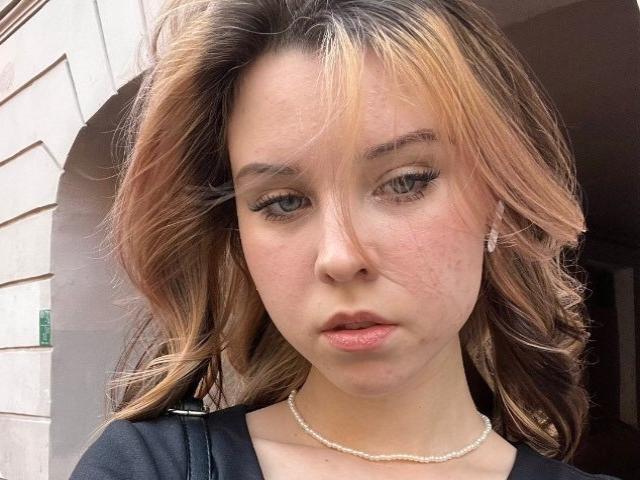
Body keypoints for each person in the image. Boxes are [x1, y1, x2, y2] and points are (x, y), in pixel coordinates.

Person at [70, 0, 622, 479]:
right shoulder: (148, 467)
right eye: (282, 201)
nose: (340, 257)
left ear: (497, 200)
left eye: (405, 181)